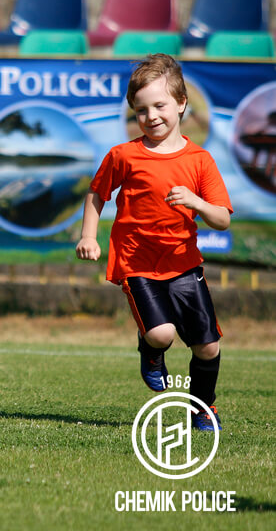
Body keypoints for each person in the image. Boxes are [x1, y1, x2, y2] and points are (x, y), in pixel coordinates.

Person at [76, 54, 232, 431]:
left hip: (184, 264)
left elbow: (223, 219)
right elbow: (97, 194)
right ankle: (151, 351)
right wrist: (88, 236)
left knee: (207, 347)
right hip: (137, 263)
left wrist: (196, 202)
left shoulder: (200, 160)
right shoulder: (123, 156)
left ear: (181, 103)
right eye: (141, 110)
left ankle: (203, 408)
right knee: (161, 334)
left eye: (160, 105)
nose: (152, 117)